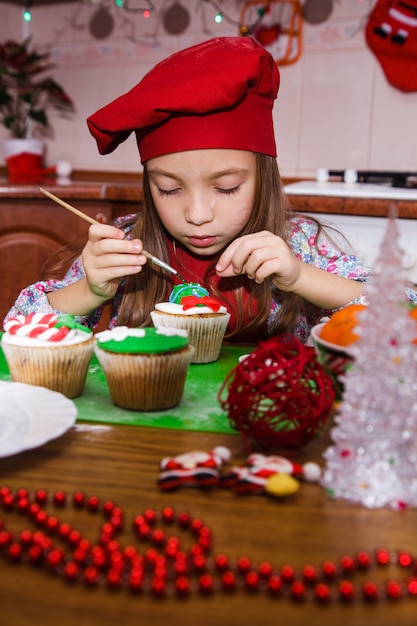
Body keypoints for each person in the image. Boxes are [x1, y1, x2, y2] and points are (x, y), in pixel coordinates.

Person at [5, 37, 410, 345]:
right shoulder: (129, 246)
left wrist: (302, 277)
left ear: (263, 177)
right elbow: (17, 331)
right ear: (148, 186)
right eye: (168, 189)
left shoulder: (297, 244)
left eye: (227, 187)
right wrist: (88, 291)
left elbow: (404, 309)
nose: (197, 213)